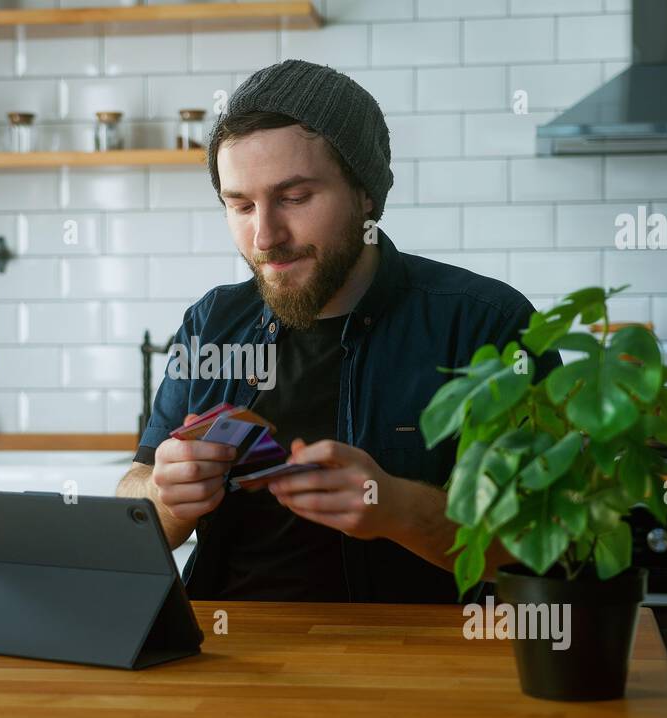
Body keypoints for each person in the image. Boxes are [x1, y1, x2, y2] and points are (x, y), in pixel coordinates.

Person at [116, 59, 562, 603]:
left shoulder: (485, 322)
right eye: (240, 205)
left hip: (419, 660)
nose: (265, 236)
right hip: (228, 659)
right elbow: (135, 493)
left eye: (295, 198)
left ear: (365, 193)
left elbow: (540, 539)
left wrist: (397, 509)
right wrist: (164, 497)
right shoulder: (212, 324)